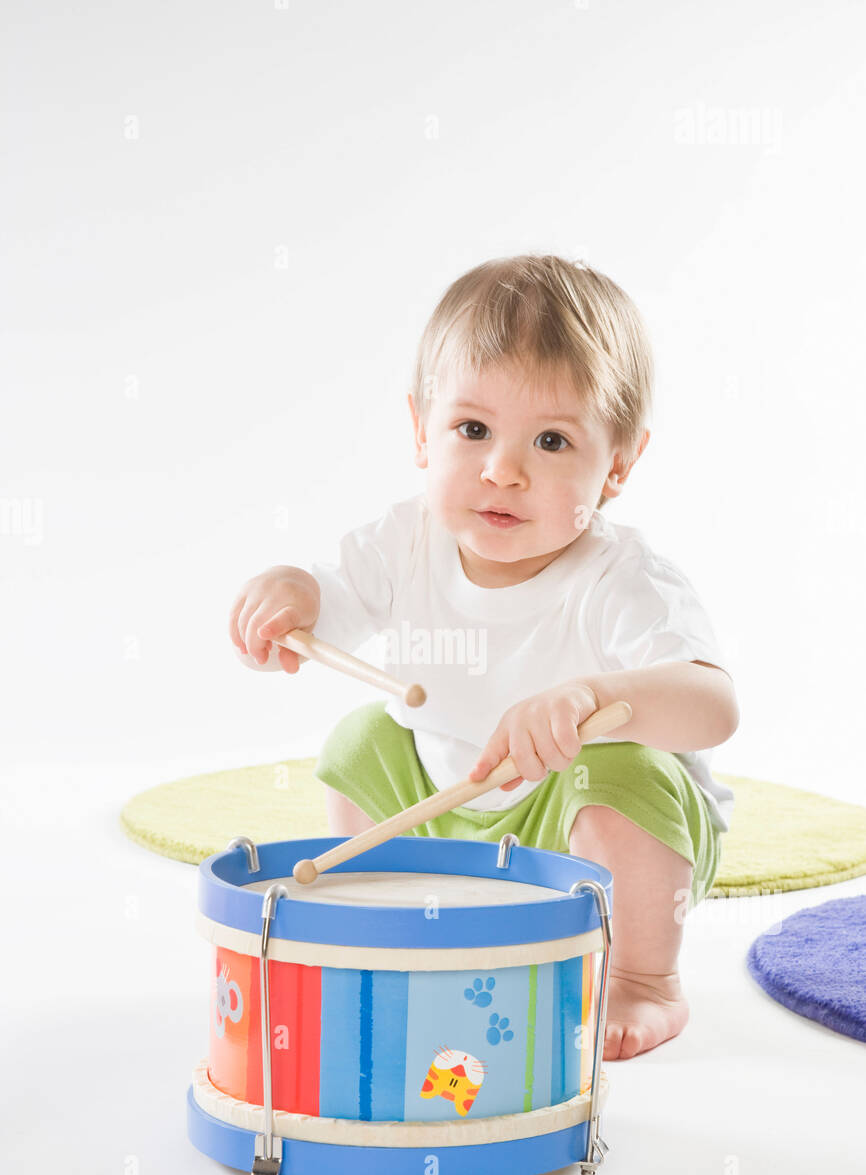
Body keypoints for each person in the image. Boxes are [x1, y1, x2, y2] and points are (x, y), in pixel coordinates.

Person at [229, 254, 739, 1062]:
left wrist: (590, 698)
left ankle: (646, 979)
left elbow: (714, 707)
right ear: (420, 431)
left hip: (583, 825)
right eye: (473, 430)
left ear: (618, 464)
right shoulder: (407, 539)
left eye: (551, 440)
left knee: (619, 775)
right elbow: (328, 606)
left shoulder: (621, 578)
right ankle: (396, 909)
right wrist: (289, 598)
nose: (504, 469)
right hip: (450, 812)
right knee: (361, 739)